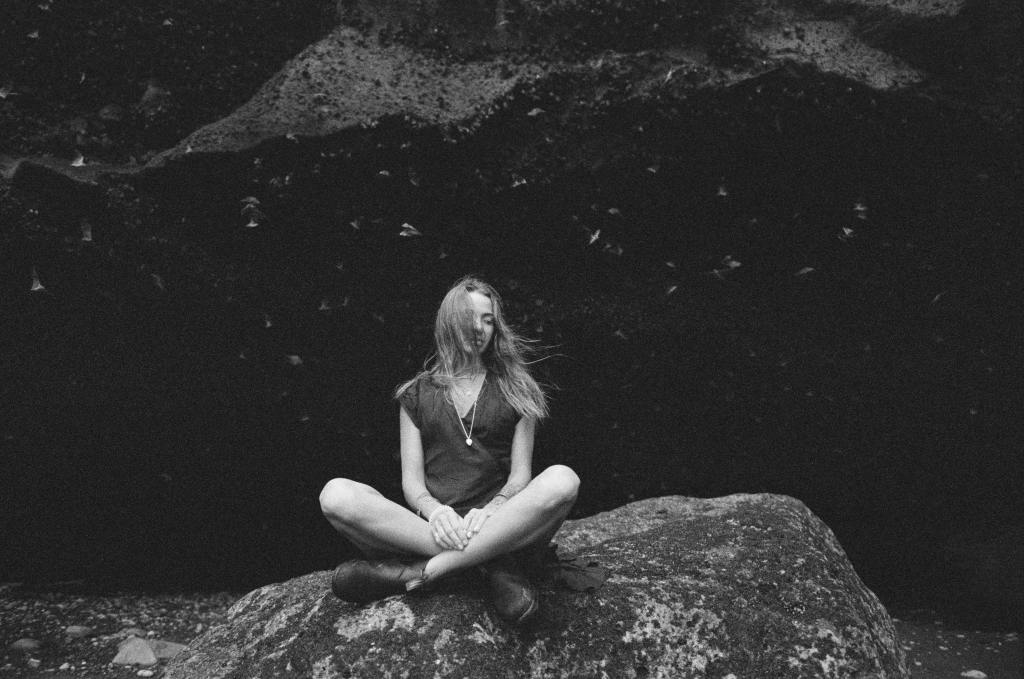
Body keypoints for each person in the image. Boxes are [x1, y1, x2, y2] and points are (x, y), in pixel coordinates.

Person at [320, 276, 579, 624]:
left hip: (505, 523)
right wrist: (436, 512)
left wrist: (494, 510)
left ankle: (426, 571)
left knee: (564, 480)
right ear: (448, 322)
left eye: (488, 320)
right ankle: (491, 564)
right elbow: (413, 485)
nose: (479, 328)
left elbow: (520, 478)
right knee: (335, 495)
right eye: (470, 317)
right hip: (434, 530)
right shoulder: (416, 394)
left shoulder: (519, 390)